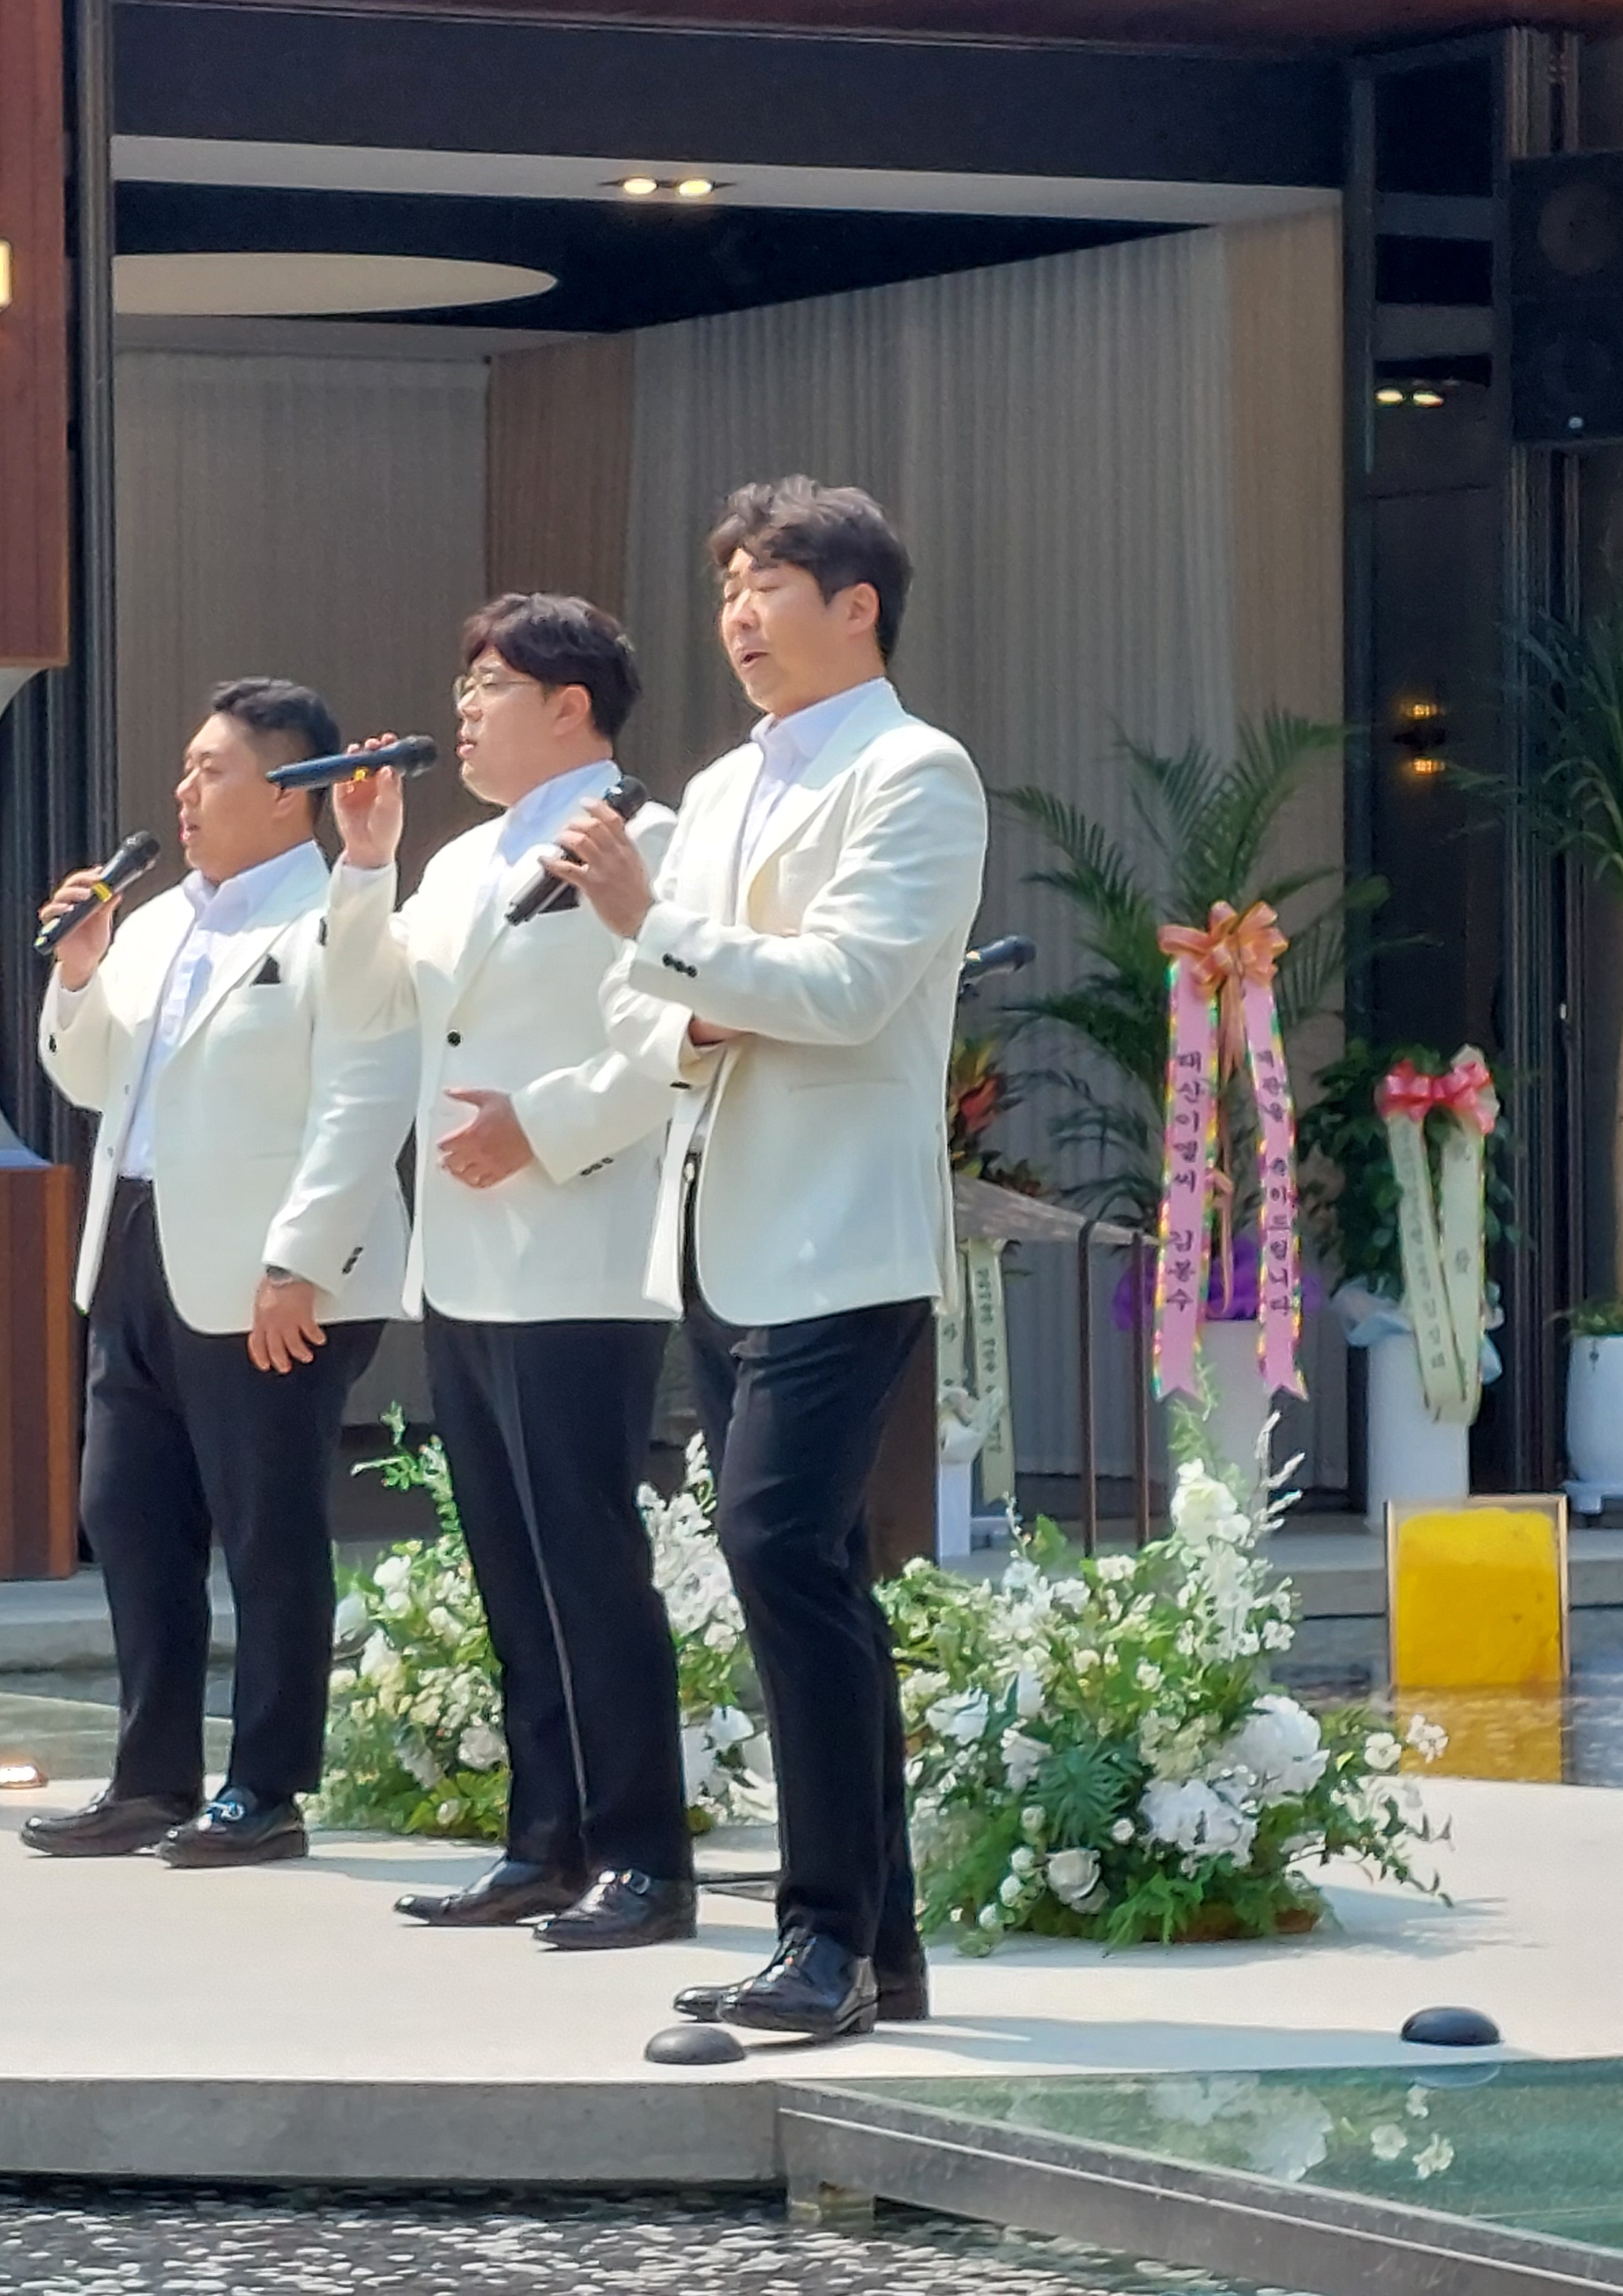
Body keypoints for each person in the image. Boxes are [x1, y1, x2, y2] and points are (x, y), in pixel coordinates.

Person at [546, 478, 986, 2039]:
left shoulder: (917, 771)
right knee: (805, 1570)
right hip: (718, 1225)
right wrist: (696, 997)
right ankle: (880, 1947)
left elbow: (851, 988)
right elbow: (647, 1009)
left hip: (839, 1230)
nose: (737, 612)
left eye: (768, 583)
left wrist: (662, 939)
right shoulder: (724, 783)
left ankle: (823, 1937)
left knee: (781, 1554)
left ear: (857, 607)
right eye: (726, 584)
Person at [324, 594, 697, 1951]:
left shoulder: (648, 838)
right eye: (464, 684)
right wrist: (366, 863)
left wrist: (538, 1127)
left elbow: (670, 1035)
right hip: (469, 1258)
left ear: (571, 705)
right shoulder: (457, 861)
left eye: (490, 684)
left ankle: (645, 1857)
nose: (464, 709)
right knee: (508, 1566)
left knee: (589, 1561)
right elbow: (368, 1007)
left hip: (579, 1245)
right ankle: (544, 1843)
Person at [25, 678, 418, 1868]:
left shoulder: (333, 917)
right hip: (137, 1243)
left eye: (213, 770)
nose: (185, 792)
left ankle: (267, 1785)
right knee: (127, 1513)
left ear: (289, 790)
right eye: (187, 769)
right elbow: (90, 1079)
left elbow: (364, 1095)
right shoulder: (155, 922)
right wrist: (79, 972)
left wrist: (301, 1260)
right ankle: (150, 1778)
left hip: (268, 1268)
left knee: (266, 1527)